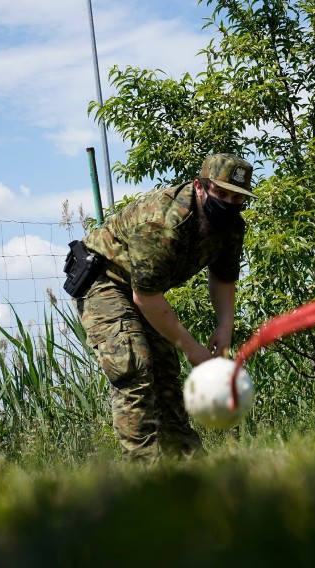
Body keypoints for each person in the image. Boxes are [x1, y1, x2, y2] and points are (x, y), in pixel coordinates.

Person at [75, 153, 254, 463]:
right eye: (221, 193)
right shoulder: (162, 223)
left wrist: (225, 325)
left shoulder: (231, 227)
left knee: (165, 376)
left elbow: (223, 279)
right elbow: (146, 298)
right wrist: (191, 348)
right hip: (103, 279)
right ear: (200, 187)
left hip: (143, 287)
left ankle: (187, 464)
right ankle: (145, 472)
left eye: (237, 197)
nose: (228, 202)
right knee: (133, 366)